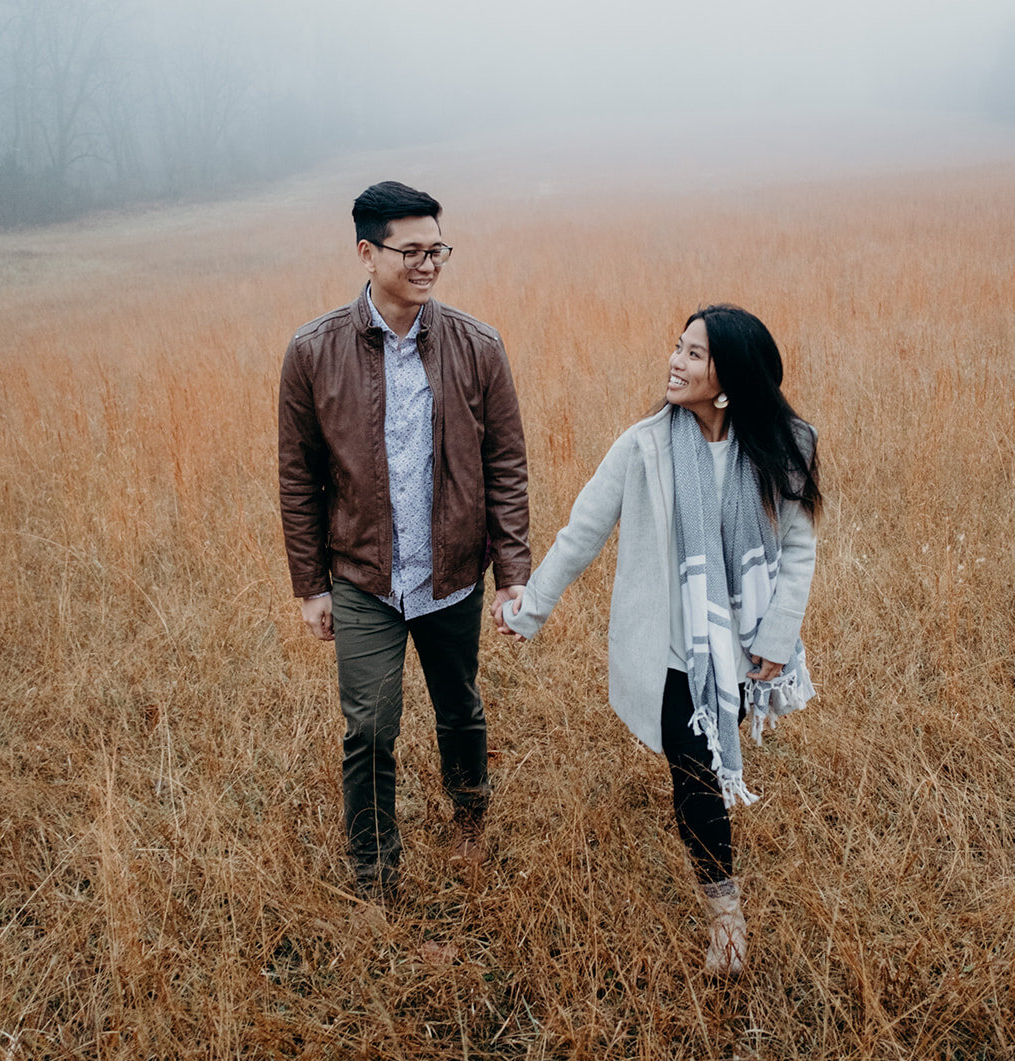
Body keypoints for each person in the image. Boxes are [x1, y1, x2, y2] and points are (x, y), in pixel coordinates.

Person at [495, 304, 821, 976]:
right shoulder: (643, 446)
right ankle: (726, 915)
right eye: (677, 347)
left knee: (704, 762)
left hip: (740, 646)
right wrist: (533, 608)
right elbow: (583, 531)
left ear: (729, 376)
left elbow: (797, 545)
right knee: (696, 773)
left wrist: (780, 633)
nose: (675, 361)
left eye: (695, 354)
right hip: (673, 651)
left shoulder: (782, 443)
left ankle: (721, 891)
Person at [278, 181, 530, 902]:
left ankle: (471, 817)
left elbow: (505, 463)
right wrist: (310, 586)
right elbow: (298, 479)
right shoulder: (312, 352)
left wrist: (512, 569)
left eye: (437, 250)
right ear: (367, 253)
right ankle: (375, 874)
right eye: (411, 251)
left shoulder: (477, 347)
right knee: (369, 728)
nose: (428, 264)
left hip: (451, 572)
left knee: (460, 707)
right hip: (363, 579)